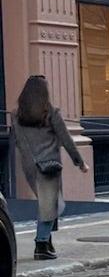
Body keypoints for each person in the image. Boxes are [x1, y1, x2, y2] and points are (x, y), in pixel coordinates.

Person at [12, 76, 86, 261]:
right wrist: (79, 162)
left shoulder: (16, 115)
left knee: (46, 203)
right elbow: (66, 139)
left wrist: (30, 161)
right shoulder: (52, 113)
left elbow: (19, 141)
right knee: (52, 205)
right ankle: (42, 244)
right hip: (49, 165)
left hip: (30, 166)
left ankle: (47, 242)